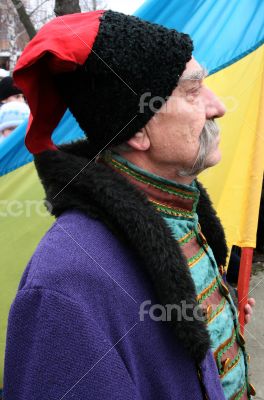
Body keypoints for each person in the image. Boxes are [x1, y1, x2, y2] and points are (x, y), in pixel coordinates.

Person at [4, 10, 255, 400]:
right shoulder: (63, 285)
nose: (218, 106)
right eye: (192, 91)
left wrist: (220, 321)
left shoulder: (181, 211)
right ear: (138, 130)